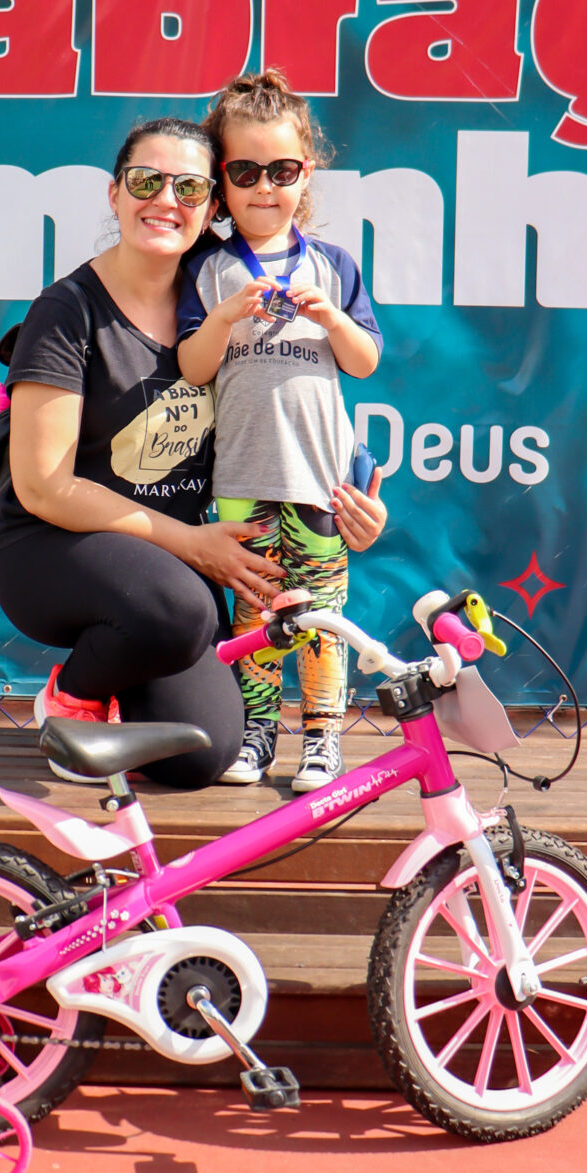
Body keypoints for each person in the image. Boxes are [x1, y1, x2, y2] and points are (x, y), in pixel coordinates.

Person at [0, 117, 275, 789]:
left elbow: (289, 408)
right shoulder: (66, 310)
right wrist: (190, 544)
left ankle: (123, 673)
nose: (165, 200)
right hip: (50, 546)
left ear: (211, 207)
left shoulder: (224, 303)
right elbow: (43, 487)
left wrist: (348, 499)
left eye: (188, 188)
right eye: (146, 181)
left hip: (165, 568)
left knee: (200, 756)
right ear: (114, 194)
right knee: (180, 610)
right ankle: (72, 698)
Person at [177, 68, 388, 790]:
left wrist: (330, 317)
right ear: (221, 180)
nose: (264, 187)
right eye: (244, 172)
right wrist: (224, 318)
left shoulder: (333, 266)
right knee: (256, 615)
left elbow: (364, 361)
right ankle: (257, 732)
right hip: (241, 476)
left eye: (282, 171)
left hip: (320, 480)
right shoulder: (208, 270)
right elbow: (192, 366)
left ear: (307, 173)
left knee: (321, 616)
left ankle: (322, 739)